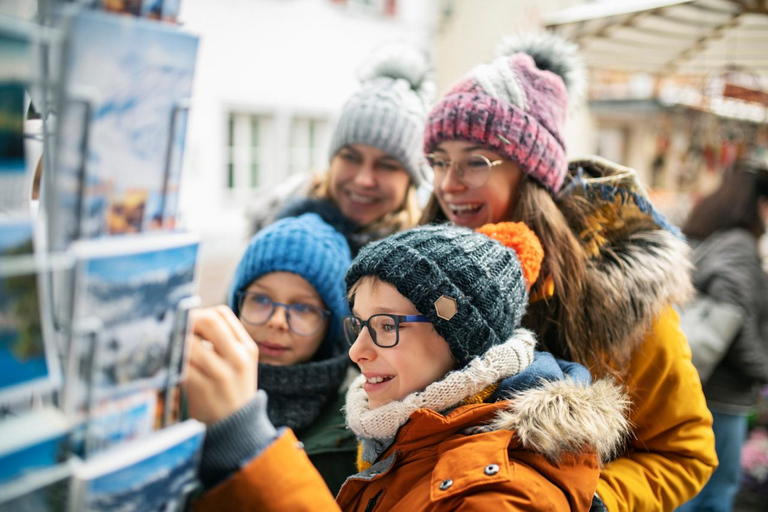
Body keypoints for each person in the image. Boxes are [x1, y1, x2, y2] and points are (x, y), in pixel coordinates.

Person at [419, 32, 718, 511]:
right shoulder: (417, 274)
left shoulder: (617, 294)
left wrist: (588, 498)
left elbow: (685, 451)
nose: (448, 184)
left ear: (531, 172)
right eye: (438, 161)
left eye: (475, 161)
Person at [188, 221, 629, 511]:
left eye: (385, 325)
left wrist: (249, 449)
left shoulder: (499, 494)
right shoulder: (401, 441)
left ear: (462, 341)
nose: (357, 351)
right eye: (359, 325)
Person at [187, 213, 357, 495]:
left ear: (330, 326)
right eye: (261, 299)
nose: (277, 320)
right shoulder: (193, 387)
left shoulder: (357, 428)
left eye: (303, 308)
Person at [252, 43, 435, 256]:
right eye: (351, 157)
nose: (363, 180)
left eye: (387, 165)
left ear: (411, 180)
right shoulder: (274, 229)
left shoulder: (429, 262)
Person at [677, 162, 768, 512]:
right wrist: (762, 367)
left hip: (698, 387)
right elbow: (735, 321)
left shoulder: (707, 238)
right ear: (758, 204)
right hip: (723, 395)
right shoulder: (740, 246)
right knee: (714, 494)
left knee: (687, 487)